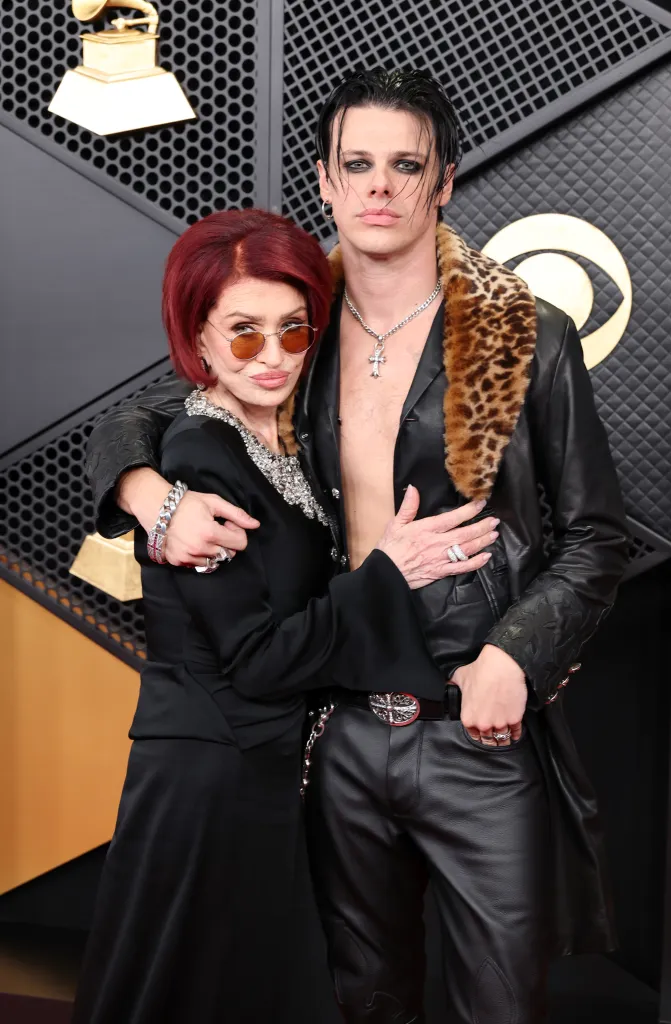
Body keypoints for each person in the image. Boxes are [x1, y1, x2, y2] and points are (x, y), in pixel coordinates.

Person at [85, 70, 630, 1024]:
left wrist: (517, 654)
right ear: (327, 183)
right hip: (329, 728)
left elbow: (595, 535)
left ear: (445, 181)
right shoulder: (297, 325)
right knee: (354, 1004)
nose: (379, 187)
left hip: (472, 725)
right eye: (357, 165)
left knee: (502, 1005)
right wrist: (145, 492)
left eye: (405, 165)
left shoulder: (521, 334)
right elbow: (150, 408)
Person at [72, 208, 497, 1024]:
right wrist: (389, 572)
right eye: (241, 335)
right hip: (209, 777)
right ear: (196, 339)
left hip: (262, 768)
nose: (272, 358)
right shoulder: (201, 455)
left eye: (292, 330)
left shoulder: (288, 431)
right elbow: (258, 660)